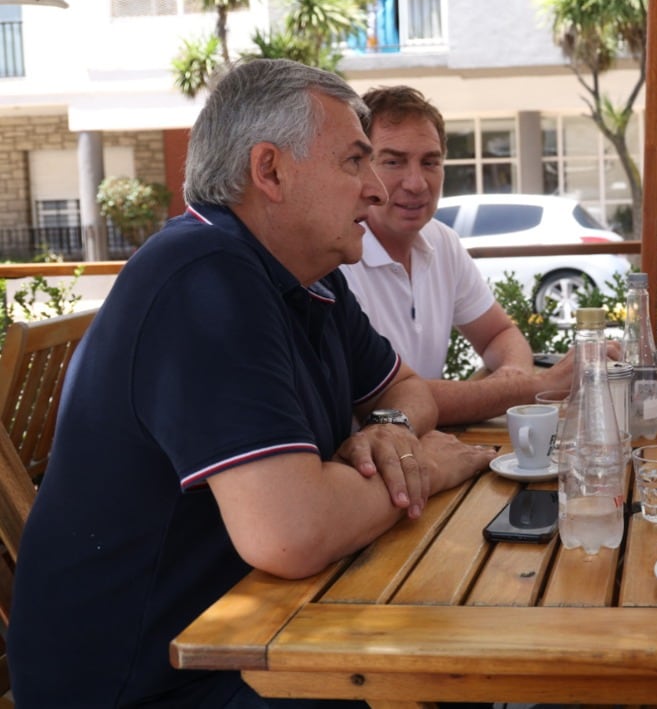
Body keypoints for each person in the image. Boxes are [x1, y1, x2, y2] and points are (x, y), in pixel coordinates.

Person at [9, 60, 496, 708]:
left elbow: (406, 389)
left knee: (444, 649)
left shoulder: (311, 276)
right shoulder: (205, 279)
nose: (376, 188)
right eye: (355, 161)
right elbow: (291, 533)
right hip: (142, 682)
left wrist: (391, 432)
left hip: (251, 625)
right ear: (269, 171)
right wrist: (426, 469)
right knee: (435, 672)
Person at [341, 85, 577, 425]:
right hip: (366, 465)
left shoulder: (441, 241)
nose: (417, 183)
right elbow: (387, 400)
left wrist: (511, 375)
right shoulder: (339, 257)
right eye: (393, 162)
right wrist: (533, 387)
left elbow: (498, 334)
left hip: (428, 447)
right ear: (361, 167)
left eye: (430, 162)